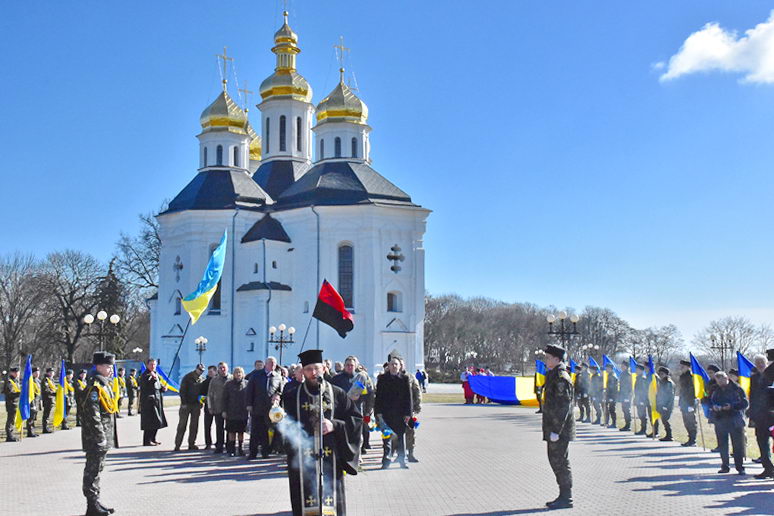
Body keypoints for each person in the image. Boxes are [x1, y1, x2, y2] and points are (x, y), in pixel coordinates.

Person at [283, 349, 362, 516]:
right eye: (308, 369)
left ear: (324, 369)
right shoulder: (292, 396)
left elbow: (355, 420)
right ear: (302, 372)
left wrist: (334, 425)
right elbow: (285, 427)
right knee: (304, 500)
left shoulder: (337, 393)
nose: (313, 373)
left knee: (331, 501)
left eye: (316, 368)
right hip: (302, 459)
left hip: (331, 456)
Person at [81, 351, 117, 516]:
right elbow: (93, 415)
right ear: (99, 366)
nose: (111, 370)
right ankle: (91, 505)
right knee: (92, 470)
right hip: (95, 438)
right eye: (108, 366)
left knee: (98, 469)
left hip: (103, 436)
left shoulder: (104, 384)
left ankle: (96, 500)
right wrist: (100, 437)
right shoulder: (94, 387)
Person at [541, 344, 575, 509]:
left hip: (559, 429)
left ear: (556, 359)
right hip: (553, 427)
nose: (546, 360)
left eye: (548, 358)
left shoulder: (561, 377)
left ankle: (566, 497)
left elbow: (563, 406)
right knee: (555, 460)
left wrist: (556, 431)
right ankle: (563, 495)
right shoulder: (553, 374)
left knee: (560, 461)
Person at [375, 356, 412, 469]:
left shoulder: (404, 379)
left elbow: (408, 397)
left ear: (400, 366)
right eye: (392, 364)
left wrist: (408, 414)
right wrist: (378, 412)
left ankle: (402, 460)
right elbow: (378, 397)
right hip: (386, 413)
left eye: (396, 364)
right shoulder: (382, 379)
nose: (394, 366)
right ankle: (386, 461)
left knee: (400, 438)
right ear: (388, 366)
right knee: (387, 438)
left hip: (400, 414)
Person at [332, 356, 373, 457]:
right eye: (347, 365)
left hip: (356, 410)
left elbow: (369, 394)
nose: (350, 367)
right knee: (342, 434)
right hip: (341, 411)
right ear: (344, 366)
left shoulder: (361, 378)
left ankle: (356, 456)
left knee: (357, 435)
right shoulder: (336, 379)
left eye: (352, 365)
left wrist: (360, 398)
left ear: (355, 366)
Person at [710, 370, 748, 475]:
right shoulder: (714, 389)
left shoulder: (737, 388)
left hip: (735, 420)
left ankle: (740, 467)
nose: (720, 383)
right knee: (722, 445)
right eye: (718, 381)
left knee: (738, 445)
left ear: (726, 378)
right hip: (720, 420)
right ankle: (725, 466)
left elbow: (745, 403)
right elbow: (710, 400)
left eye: (722, 380)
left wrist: (732, 406)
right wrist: (714, 407)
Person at [246, 356, 284, 459]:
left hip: (270, 409)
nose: (273, 365)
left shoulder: (277, 377)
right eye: (271, 363)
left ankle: (265, 452)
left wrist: (277, 395)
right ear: (266, 364)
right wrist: (249, 404)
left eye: (274, 364)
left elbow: (280, 391)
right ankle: (253, 453)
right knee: (255, 431)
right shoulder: (256, 375)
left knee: (267, 430)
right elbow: (249, 390)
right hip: (257, 406)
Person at [748, 353, 773, 479]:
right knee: (762, 441)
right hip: (760, 416)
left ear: (767, 363)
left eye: (762, 362)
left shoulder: (771, 375)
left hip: (772, 415)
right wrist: (752, 413)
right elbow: (752, 396)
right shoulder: (753, 378)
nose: (760, 365)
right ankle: (768, 468)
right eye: (758, 363)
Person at [174, 364, 204, 451]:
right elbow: (182, 390)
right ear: (196, 369)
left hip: (196, 405)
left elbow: (202, 392)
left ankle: (191, 443)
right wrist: (183, 402)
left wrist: (201, 402)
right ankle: (177, 444)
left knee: (194, 426)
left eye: (202, 370)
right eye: (200, 370)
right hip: (186, 404)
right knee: (182, 425)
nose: (201, 372)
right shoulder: (188, 377)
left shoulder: (202, 379)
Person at [139, 358, 168, 446]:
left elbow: (157, 386)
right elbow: (146, 386)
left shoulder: (156, 374)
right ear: (147, 365)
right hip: (149, 402)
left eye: (154, 364)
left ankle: (153, 438)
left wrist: (162, 388)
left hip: (157, 401)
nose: (153, 366)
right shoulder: (145, 375)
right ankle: (147, 441)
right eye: (151, 364)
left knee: (157, 421)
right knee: (150, 422)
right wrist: (153, 379)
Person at [222, 366, 249, 456]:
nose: (238, 374)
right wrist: (224, 411)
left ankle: (241, 449)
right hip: (231, 411)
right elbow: (224, 399)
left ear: (243, 374)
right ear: (233, 374)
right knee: (231, 431)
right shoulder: (228, 384)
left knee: (241, 432)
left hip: (243, 412)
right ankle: (232, 450)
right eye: (236, 372)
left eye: (240, 372)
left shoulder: (247, 384)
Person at [207, 361, 231, 453]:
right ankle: (219, 446)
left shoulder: (232, 378)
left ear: (227, 368)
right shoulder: (214, 380)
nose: (222, 369)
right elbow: (210, 394)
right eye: (220, 368)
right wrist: (210, 407)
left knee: (229, 428)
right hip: (218, 407)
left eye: (224, 367)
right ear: (218, 370)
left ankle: (229, 446)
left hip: (230, 407)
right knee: (219, 428)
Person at [404, 359, 422, 463]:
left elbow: (417, 391)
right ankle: (399, 454)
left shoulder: (410, 377)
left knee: (410, 432)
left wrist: (417, 406)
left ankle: (410, 453)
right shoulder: (391, 377)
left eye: (400, 364)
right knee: (396, 434)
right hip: (396, 411)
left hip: (409, 410)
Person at [651, 367, 675, 441]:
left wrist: (666, 406)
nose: (660, 375)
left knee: (665, 419)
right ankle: (667, 435)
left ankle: (669, 435)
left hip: (666, 405)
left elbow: (670, 396)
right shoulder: (662, 382)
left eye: (662, 374)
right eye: (660, 374)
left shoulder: (668, 383)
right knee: (663, 419)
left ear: (666, 374)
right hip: (661, 403)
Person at [677, 359, 697, 446]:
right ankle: (690, 438)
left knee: (691, 421)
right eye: (681, 366)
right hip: (684, 402)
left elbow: (692, 391)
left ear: (688, 367)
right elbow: (682, 391)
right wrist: (680, 402)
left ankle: (693, 440)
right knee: (686, 422)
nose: (681, 368)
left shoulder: (691, 377)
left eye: (683, 366)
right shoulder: (682, 377)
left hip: (690, 402)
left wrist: (691, 404)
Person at [200, 365, 216, 450]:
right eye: (209, 372)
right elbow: (201, 395)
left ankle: (219, 442)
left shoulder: (218, 381)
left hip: (218, 406)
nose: (209, 373)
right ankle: (208, 443)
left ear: (215, 372)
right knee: (207, 425)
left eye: (211, 371)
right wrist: (204, 400)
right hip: (208, 406)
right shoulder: (205, 382)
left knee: (219, 426)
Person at [3, 366, 21, 441]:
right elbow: (9, 393)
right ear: (11, 373)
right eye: (15, 372)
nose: (17, 374)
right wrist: (19, 394)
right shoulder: (9, 381)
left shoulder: (16, 381)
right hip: (11, 403)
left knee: (13, 419)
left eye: (18, 372)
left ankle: (11, 434)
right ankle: (9, 436)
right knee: (10, 420)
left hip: (16, 403)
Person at [633, 363, 648, 435]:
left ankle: (643, 429)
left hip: (642, 400)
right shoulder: (638, 378)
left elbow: (644, 391)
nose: (636, 371)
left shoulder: (642, 379)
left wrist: (642, 400)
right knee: (640, 414)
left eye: (637, 369)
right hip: (638, 399)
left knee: (642, 415)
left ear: (641, 370)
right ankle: (642, 429)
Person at [618, 360, 632, 431]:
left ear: (626, 367)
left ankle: (628, 425)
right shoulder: (622, 374)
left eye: (623, 366)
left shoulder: (628, 375)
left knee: (627, 410)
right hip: (623, 394)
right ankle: (626, 424)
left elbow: (630, 386)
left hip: (627, 395)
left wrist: (628, 396)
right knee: (624, 410)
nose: (621, 367)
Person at [41, 366, 57, 433]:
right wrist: (54, 393)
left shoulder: (52, 380)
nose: (52, 373)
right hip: (47, 399)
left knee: (48, 414)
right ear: (47, 373)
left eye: (52, 372)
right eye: (50, 372)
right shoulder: (45, 380)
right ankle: (45, 428)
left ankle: (47, 427)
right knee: (46, 414)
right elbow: (46, 390)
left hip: (52, 399)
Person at [27, 367, 41, 437]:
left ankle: (33, 431)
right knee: (31, 418)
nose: (37, 374)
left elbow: (38, 393)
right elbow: (30, 394)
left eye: (38, 373)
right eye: (35, 373)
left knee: (34, 418)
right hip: (32, 402)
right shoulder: (30, 381)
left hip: (37, 402)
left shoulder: (37, 381)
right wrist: (32, 404)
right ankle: (30, 432)